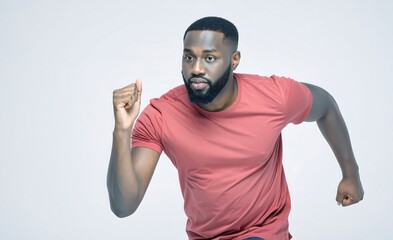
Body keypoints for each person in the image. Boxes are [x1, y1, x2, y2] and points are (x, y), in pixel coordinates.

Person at [107, 16, 364, 240]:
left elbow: (326, 107)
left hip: (263, 230)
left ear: (235, 59)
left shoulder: (275, 96)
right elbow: (124, 206)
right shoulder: (162, 114)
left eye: (209, 58)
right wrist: (121, 131)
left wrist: (351, 174)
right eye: (189, 57)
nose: (196, 68)